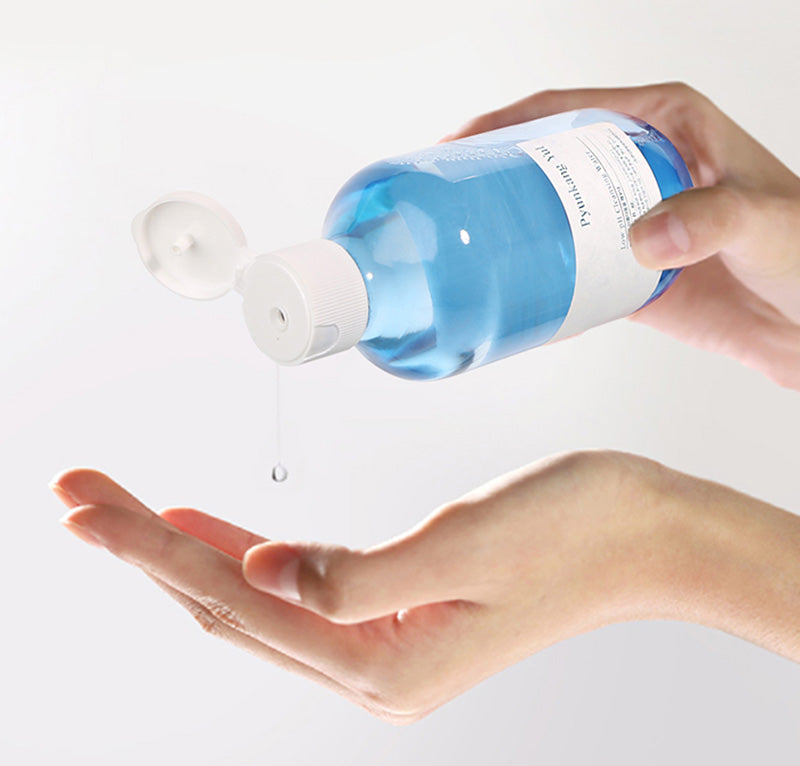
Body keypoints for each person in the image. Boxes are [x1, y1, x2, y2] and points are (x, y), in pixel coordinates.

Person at [50, 82, 800, 726]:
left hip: (631, 173)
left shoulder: (389, 245)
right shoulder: (409, 330)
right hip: (644, 189)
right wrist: (779, 333)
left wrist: (658, 542)